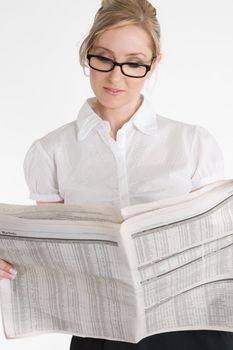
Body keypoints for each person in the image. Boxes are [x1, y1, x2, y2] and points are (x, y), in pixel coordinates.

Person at [0, 0, 229, 349]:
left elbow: (218, 245)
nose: (116, 76)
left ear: (153, 66)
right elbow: (51, 256)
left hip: (192, 329)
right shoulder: (50, 151)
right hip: (102, 332)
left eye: (134, 63)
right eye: (104, 58)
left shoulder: (192, 142)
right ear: (86, 54)